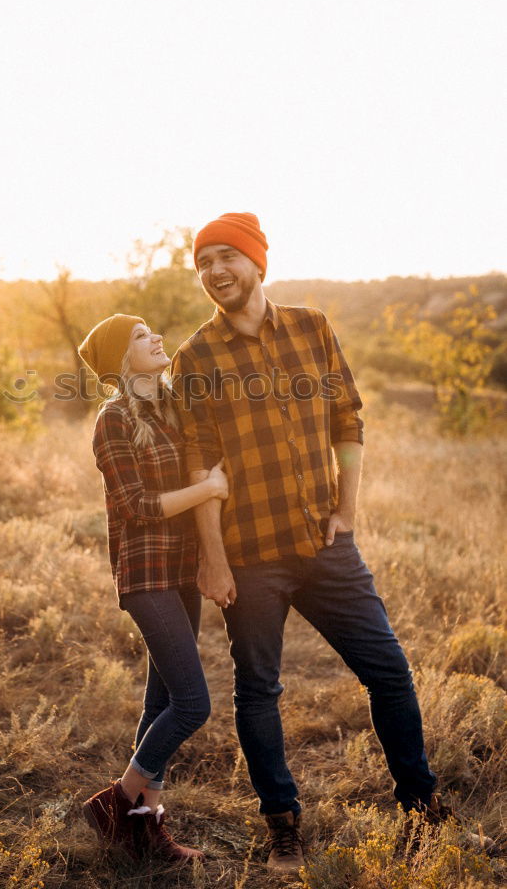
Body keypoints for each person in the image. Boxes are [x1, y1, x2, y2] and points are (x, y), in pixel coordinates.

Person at [170, 212, 439, 874]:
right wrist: (212, 556)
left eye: (226, 258)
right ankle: (282, 825)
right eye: (203, 263)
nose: (215, 273)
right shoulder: (195, 358)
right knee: (258, 689)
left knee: (387, 671)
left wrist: (344, 510)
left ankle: (421, 802)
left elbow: (347, 418)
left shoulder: (311, 328)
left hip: (324, 545)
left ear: (257, 262)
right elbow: (198, 466)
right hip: (251, 553)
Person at [77, 312, 228, 865]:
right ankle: (115, 802)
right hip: (146, 576)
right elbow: (136, 507)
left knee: (160, 701)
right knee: (192, 704)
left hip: (182, 571)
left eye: (151, 330)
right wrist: (209, 487)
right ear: (122, 358)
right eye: (141, 336)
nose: (156, 337)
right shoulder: (112, 420)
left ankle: (146, 829)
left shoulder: (169, 409)